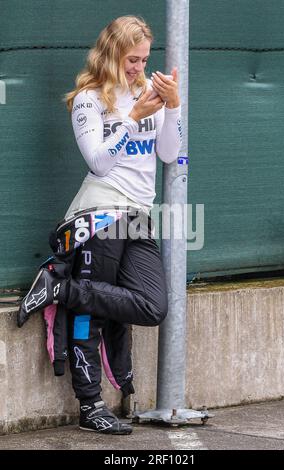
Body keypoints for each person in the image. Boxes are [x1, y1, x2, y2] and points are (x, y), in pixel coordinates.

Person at [17, 15, 181, 435]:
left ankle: (59, 286)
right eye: (131, 60)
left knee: (153, 305)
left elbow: (168, 155)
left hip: (138, 215)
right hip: (99, 212)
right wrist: (132, 117)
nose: (139, 69)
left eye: (144, 60)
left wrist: (174, 106)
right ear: (110, 54)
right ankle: (90, 406)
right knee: (89, 310)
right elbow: (99, 163)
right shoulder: (89, 99)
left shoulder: (149, 91)